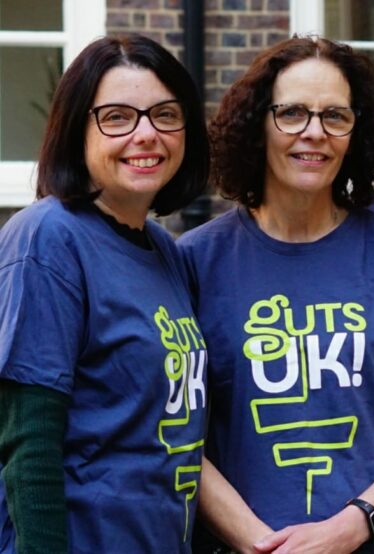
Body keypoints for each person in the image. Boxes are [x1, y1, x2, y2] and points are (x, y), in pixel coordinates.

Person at [178, 36, 374, 553]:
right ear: (258, 125)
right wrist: (263, 544)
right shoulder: (196, 261)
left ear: (356, 132)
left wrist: (349, 528)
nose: (314, 132)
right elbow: (179, 438)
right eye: (292, 113)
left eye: (335, 116)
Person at [0, 35, 210, 552]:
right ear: (77, 129)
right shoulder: (48, 238)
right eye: (117, 117)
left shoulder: (164, 250)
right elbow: (29, 441)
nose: (147, 134)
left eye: (165, 115)